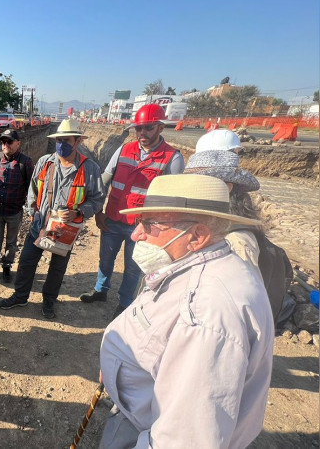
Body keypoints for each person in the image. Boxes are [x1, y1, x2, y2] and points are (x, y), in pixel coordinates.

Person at [99, 174, 274, 448]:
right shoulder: (196, 264)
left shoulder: (206, 314)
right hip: (139, 414)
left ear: (197, 236)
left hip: (143, 431)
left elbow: (184, 439)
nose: (136, 234)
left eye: (149, 224)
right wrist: (117, 367)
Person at [80, 104, 184, 319]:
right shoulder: (124, 149)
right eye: (139, 128)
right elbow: (105, 181)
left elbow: (172, 201)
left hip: (143, 226)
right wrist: (99, 211)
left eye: (148, 128)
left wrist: (159, 226)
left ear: (160, 127)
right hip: (113, 218)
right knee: (105, 259)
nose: (142, 133)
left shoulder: (172, 158)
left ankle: (125, 302)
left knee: (133, 267)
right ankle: (100, 291)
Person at [184, 131, 294, 326]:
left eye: (200, 185)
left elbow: (237, 305)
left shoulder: (238, 242)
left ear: (226, 188)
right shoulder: (219, 224)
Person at [0, 119, 104, 319]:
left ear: (78, 141)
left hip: (66, 228)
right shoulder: (45, 162)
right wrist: (32, 212)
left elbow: (98, 199)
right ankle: (20, 296)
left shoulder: (89, 169)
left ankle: (48, 301)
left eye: (66, 140)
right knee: (27, 261)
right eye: (58, 140)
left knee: (57, 267)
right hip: (40, 223)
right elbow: (33, 189)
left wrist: (79, 212)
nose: (61, 144)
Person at [0, 129, 34, 283]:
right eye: (3, 142)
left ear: (18, 143)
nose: (5, 145)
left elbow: (31, 188)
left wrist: (29, 207)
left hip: (14, 211)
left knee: (11, 241)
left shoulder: (26, 162)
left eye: (9, 142)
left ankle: (7, 266)